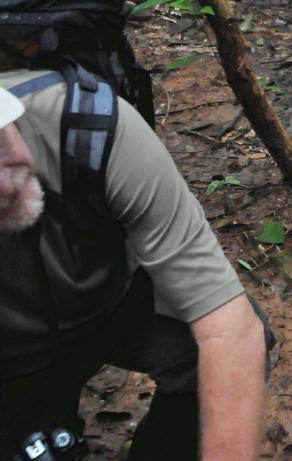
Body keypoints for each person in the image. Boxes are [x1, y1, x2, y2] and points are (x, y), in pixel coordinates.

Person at [0, 73, 270, 459]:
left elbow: (231, 330)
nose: (7, 185)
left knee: (209, 350)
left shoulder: (88, 126)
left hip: (109, 304)